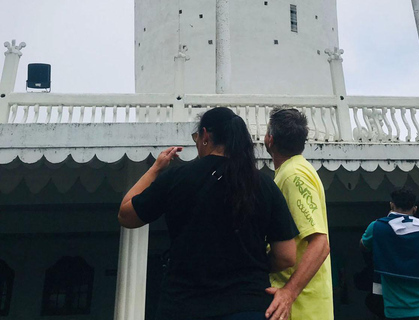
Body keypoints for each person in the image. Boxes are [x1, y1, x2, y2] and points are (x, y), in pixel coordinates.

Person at [118, 107, 299, 320]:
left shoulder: (178, 177)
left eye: (196, 137)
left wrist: (156, 168)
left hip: (183, 306)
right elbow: (287, 256)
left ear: (205, 135)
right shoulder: (263, 184)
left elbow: (126, 215)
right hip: (248, 305)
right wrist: (251, 265)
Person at [264, 108, 334, 320]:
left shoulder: (293, 176)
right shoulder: (295, 171)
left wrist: (289, 294)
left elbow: (320, 244)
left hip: (302, 309)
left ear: (270, 139)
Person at [360, 187, 419, 320]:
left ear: (391, 205)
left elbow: (364, 246)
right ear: (415, 208)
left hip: (397, 311)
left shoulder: (378, 227)